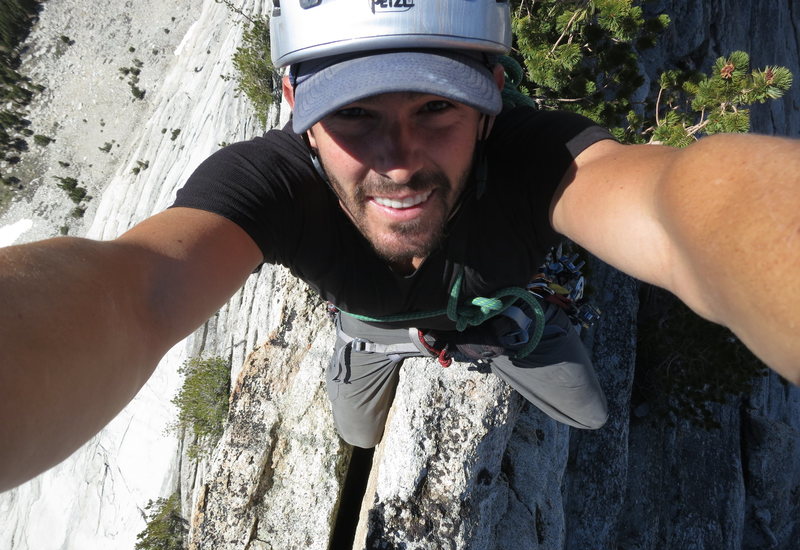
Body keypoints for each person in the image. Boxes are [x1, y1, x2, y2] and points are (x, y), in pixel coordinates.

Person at [0, 0, 798, 511]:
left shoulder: (535, 157)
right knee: (355, 436)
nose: (399, 158)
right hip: (376, 331)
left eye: (435, 106)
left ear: (491, 96)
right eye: (353, 113)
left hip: (495, 326)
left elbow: (678, 206)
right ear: (296, 110)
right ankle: (382, 353)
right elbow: (136, 292)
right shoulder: (269, 185)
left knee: (589, 411)